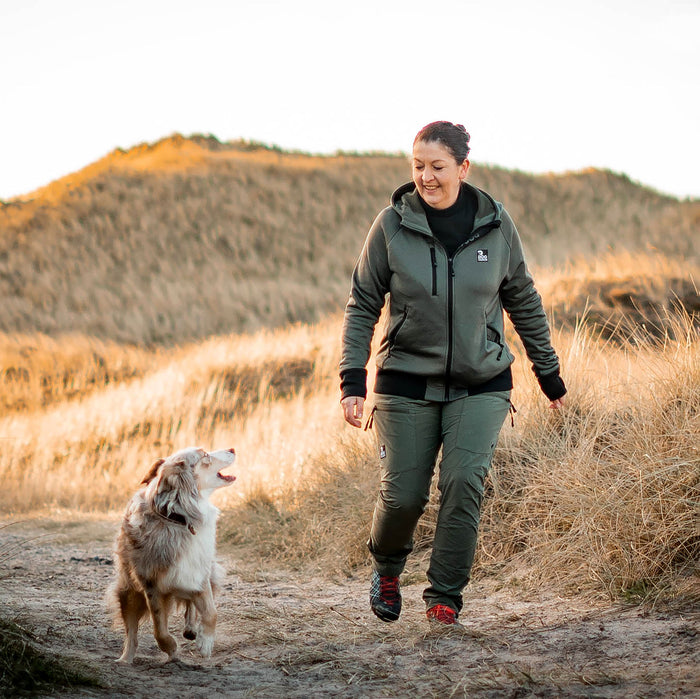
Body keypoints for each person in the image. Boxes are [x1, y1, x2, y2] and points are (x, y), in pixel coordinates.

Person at [339, 121, 566, 626]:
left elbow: (524, 300)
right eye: (417, 166)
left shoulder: (496, 225)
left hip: (481, 382)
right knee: (405, 496)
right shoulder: (392, 226)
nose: (426, 177)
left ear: (463, 167)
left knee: (465, 482)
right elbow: (363, 305)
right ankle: (389, 568)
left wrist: (549, 376)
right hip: (405, 381)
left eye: (437, 167)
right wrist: (353, 381)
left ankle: (444, 595)